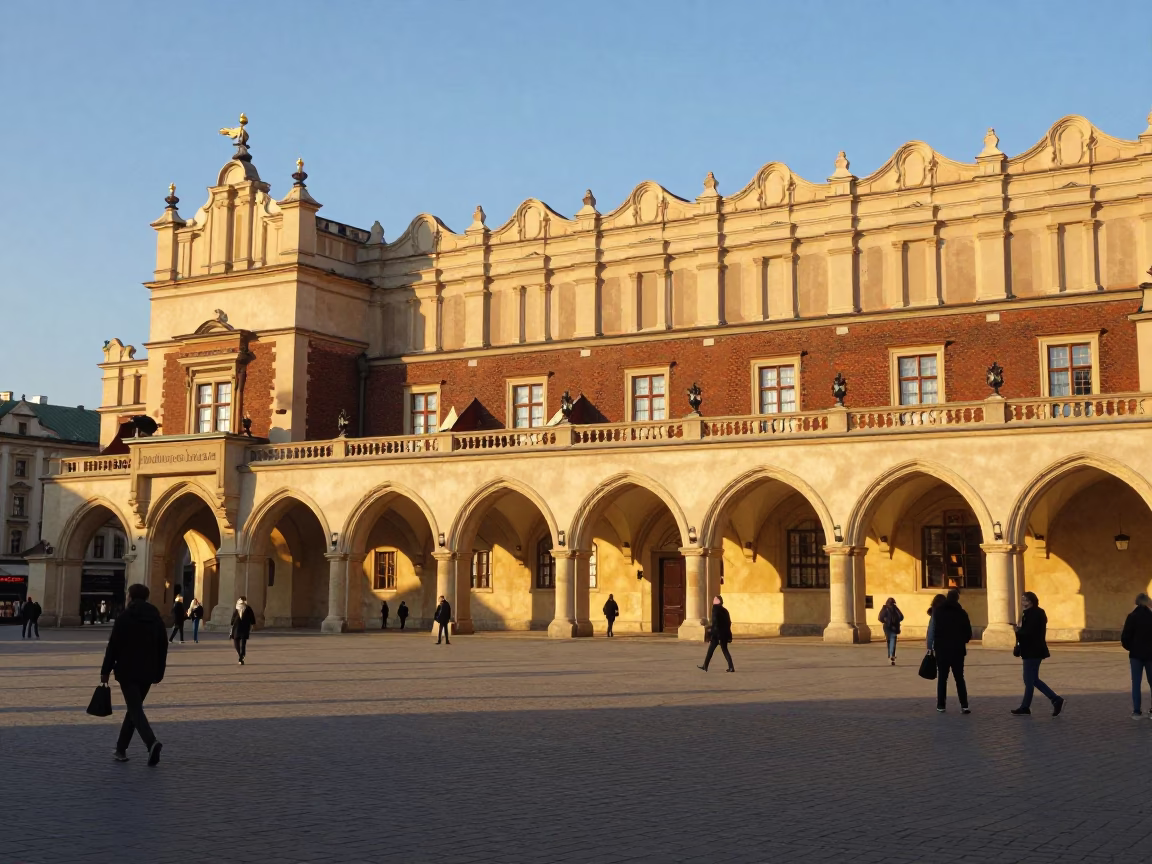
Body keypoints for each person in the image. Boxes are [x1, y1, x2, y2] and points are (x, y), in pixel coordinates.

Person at [100, 583, 167, 766]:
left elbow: (113, 645)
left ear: (130, 596)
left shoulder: (125, 616)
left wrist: (105, 671)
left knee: (135, 709)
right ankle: (121, 749)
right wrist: (160, 671)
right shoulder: (155, 618)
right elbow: (163, 646)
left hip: (127, 670)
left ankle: (151, 742)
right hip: (148, 671)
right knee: (134, 709)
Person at [1011, 591, 1065, 717]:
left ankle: (1026, 707)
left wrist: (1018, 631)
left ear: (1030, 601)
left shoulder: (1033, 614)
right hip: (1034, 650)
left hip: (1032, 651)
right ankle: (1055, 700)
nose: (1022, 602)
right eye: (1022, 599)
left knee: (1029, 680)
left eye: (1024, 599)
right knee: (1033, 680)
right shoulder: (1033, 613)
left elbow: (1029, 632)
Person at [931, 589, 971, 714]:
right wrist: (961, 640)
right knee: (959, 678)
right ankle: (964, 705)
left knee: (943, 678)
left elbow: (935, 630)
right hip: (957, 650)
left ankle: (941, 705)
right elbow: (968, 633)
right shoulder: (962, 613)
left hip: (942, 649)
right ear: (957, 599)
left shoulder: (938, 612)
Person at [1121, 592, 1152, 719]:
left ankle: (1137, 711)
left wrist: (1131, 648)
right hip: (1151, 655)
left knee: (1136, 683)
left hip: (1136, 656)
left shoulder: (1132, 616)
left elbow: (1125, 637)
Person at [698, 595, 734, 672]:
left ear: (718, 601)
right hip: (724, 634)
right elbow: (729, 623)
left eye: (715, 599)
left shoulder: (715, 610)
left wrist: (712, 633)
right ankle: (730, 667)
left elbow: (715, 623)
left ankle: (705, 666)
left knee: (713, 650)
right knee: (723, 650)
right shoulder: (725, 610)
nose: (713, 600)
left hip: (717, 635)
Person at [230, 596, 256, 665]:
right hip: (237, 627)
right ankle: (241, 655)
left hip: (244, 627)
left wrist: (253, 624)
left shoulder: (247, 608)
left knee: (242, 644)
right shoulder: (237, 607)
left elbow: (252, 617)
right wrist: (232, 623)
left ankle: (241, 657)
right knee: (236, 643)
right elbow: (233, 617)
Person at [878, 597, 904, 665]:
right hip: (894, 627)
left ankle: (890, 656)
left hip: (887, 626)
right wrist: (896, 621)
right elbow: (901, 617)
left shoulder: (884, 608)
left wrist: (885, 621)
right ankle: (891, 655)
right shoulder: (895, 608)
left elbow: (880, 618)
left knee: (889, 641)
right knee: (893, 640)